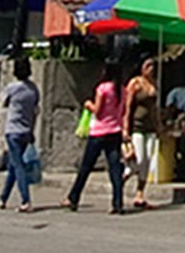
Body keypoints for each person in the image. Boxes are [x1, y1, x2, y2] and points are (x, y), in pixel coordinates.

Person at [64, 63, 129, 213]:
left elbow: (98, 111)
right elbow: (123, 111)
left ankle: (74, 197)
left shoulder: (103, 89)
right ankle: (118, 203)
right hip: (115, 132)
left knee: (86, 167)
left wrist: (88, 104)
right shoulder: (122, 90)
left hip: (99, 133)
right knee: (115, 169)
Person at [0, 56, 41, 210]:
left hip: (13, 131)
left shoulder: (12, 88)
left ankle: (25, 200)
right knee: (13, 165)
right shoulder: (33, 89)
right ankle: (3, 197)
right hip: (26, 130)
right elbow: (36, 110)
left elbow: (4, 103)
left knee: (18, 166)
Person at [125, 55, 164, 194]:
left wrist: (159, 124)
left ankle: (140, 192)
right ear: (141, 67)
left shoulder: (154, 84)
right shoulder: (135, 83)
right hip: (137, 125)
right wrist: (125, 128)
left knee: (148, 160)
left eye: (152, 66)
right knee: (139, 159)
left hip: (151, 126)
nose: (151, 69)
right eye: (148, 66)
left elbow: (155, 108)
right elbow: (128, 106)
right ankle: (124, 176)